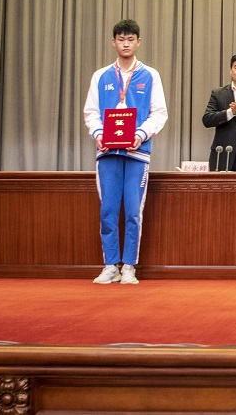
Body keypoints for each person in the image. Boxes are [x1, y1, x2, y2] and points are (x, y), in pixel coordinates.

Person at [83, 19, 168, 286]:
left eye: (130, 39)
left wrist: (140, 134)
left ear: (138, 42)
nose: (126, 44)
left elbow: (159, 113)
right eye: (121, 39)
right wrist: (98, 134)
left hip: (137, 153)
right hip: (107, 153)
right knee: (108, 210)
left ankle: (129, 265)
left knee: (133, 211)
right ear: (113, 42)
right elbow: (91, 112)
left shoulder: (150, 75)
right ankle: (110, 265)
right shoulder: (101, 76)